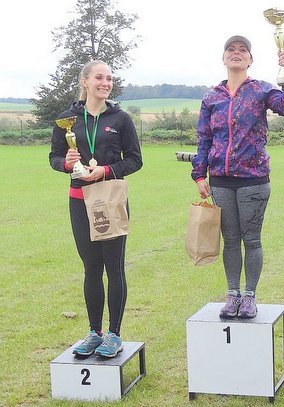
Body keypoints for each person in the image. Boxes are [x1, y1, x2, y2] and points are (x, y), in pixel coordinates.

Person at [191, 35, 284, 319]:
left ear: (250, 59)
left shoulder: (262, 90)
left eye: (243, 50)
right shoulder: (211, 97)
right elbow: (203, 139)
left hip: (253, 179)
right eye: (231, 49)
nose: (236, 53)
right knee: (230, 239)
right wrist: (198, 175)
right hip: (220, 179)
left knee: (251, 240)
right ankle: (232, 295)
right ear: (223, 58)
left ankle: (249, 296)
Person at [49, 60, 143, 358]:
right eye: (100, 78)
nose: (105, 83)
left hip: (111, 198)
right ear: (85, 81)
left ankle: (114, 334)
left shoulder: (121, 118)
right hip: (79, 200)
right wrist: (67, 163)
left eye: (109, 79)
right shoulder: (67, 119)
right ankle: (94, 331)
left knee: (114, 267)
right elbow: (54, 157)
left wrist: (103, 170)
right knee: (91, 268)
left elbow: (135, 160)